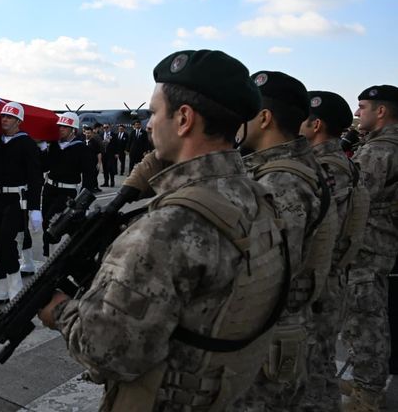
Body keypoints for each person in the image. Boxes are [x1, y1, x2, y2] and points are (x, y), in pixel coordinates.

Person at [38, 49, 289, 410]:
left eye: (155, 113)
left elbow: (109, 354)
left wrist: (59, 310)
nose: (150, 123)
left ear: (183, 119)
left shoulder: (165, 228)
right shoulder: (257, 195)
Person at [234, 71, 338, 411]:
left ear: (264, 118)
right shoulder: (288, 167)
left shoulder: (281, 180)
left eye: (245, 110)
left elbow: (265, 278)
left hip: (268, 341)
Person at [296, 90, 369, 411]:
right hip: (330, 277)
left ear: (315, 125)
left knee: (311, 367)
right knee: (319, 364)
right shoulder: (337, 162)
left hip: (320, 282)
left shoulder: (326, 168)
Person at [339, 84, 398, 411]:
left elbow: (354, 198)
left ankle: (368, 393)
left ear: (381, 111)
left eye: (363, 106)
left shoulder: (380, 150)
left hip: (369, 245)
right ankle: (367, 381)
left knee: (365, 319)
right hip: (379, 242)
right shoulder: (383, 145)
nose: (358, 112)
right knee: (368, 315)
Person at [0, 102, 43, 307]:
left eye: (9, 117)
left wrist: (35, 208)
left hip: (17, 200)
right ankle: (2, 287)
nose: (4, 120)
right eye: (3, 117)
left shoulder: (26, 144)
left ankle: (16, 288)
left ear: (18, 121)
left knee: (6, 241)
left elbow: (36, 177)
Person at [39, 112, 96, 259]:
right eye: (60, 126)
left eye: (65, 126)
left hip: (67, 192)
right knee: (46, 225)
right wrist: (42, 149)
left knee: (54, 224)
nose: (61, 129)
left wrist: (84, 201)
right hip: (49, 189)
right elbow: (44, 166)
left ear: (73, 130)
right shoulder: (53, 146)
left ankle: (57, 259)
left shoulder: (82, 148)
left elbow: (89, 174)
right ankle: (48, 258)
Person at [84, 126, 103, 194]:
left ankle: (92, 188)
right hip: (84, 163)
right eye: (86, 133)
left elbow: (99, 153)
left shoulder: (95, 142)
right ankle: (84, 188)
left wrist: (99, 163)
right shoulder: (82, 142)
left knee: (92, 176)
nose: (87, 134)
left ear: (92, 133)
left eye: (89, 133)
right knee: (85, 176)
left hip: (93, 163)